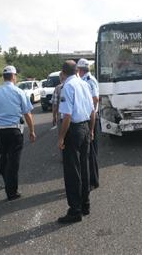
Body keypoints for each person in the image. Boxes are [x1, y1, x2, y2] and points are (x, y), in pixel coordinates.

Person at [0, 65, 36, 201]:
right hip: (15, 131)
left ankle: (4, 174)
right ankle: (11, 192)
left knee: (4, 155)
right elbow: (27, 114)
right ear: (13, 76)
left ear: (3, 77)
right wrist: (32, 131)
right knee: (13, 161)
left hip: (0, 131)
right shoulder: (19, 92)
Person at [58, 60, 95, 223]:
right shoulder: (84, 84)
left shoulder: (68, 86)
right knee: (85, 168)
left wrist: (60, 137)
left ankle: (75, 211)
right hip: (86, 128)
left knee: (72, 172)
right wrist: (92, 129)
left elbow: (67, 116)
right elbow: (93, 111)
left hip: (73, 131)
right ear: (77, 70)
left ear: (63, 73)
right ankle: (85, 205)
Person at [76, 58, 100, 190]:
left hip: (91, 118)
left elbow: (95, 98)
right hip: (90, 116)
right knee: (89, 150)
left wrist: (91, 111)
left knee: (91, 151)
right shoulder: (85, 80)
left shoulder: (89, 80)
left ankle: (93, 181)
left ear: (79, 70)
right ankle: (92, 179)